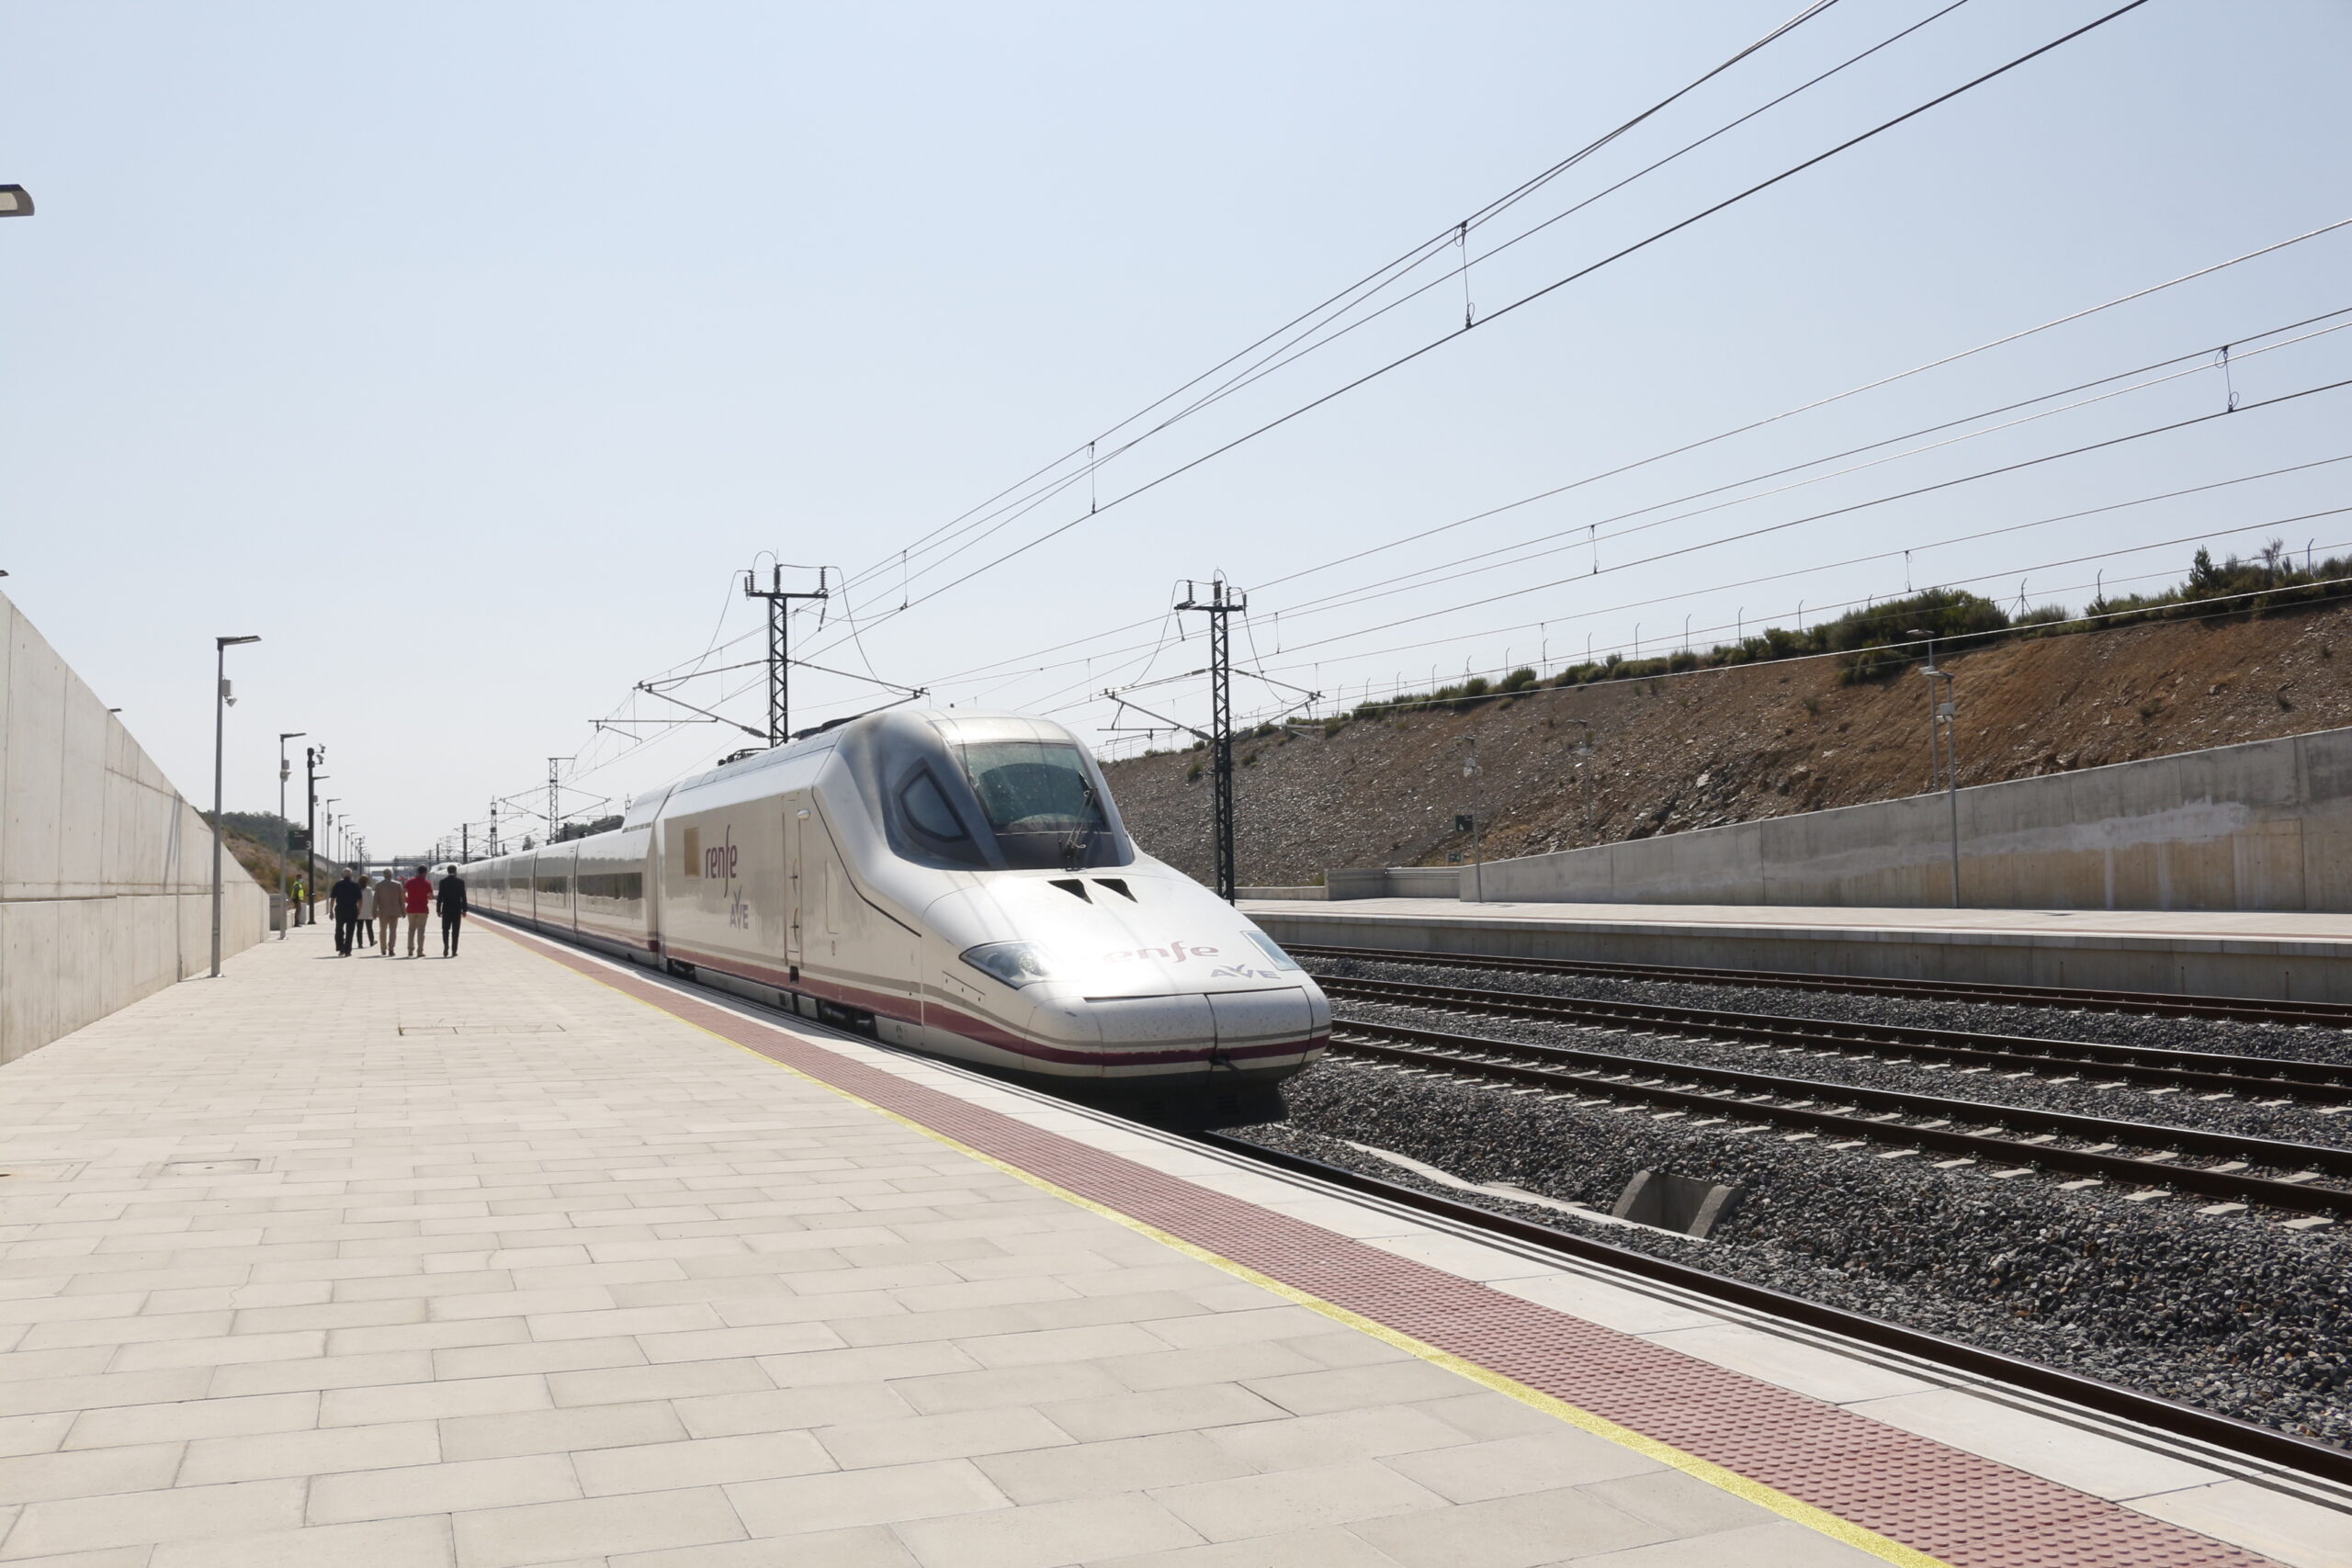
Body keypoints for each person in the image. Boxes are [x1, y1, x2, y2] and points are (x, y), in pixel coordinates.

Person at [329, 869, 365, 956]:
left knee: (339, 929)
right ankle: (348, 951)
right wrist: (359, 910)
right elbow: (360, 900)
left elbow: (333, 898)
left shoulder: (338, 884)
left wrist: (331, 911)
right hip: (352, 909)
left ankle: (341, 948)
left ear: (343, 875)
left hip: (340, 909)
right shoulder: (355, 885)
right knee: (350, 930)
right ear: (351, 875)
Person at [436, 863, 469, 956]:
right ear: (455, 871)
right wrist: (464, 910)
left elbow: (440, 897)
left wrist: (438, 909)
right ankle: (454, 951)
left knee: (445, 929)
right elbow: (463, 897)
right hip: (457, 909)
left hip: (446, 909)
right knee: (456, 930)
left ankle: (446, 946)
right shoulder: (460, 882)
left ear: (447, 871)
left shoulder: (443, 882)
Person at [402, 865, 434, 957]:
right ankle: (419, 951)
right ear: (425, 872)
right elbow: (431, 897)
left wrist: (406, 900)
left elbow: (402, 892)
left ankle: (410, 950)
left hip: (411, 908)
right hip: (423, 909)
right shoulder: (427, 883)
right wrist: (426, 897)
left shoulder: (410, 881)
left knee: (411, 929)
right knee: (421, 931)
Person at [372, 871, 405, 957]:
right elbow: (402, 899)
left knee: (383, 930)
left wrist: (374, 912)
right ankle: (391, 949)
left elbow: (375, 900)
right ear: (392, 875)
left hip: (383, 911)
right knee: (393, 931)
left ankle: (383, 949)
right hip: (395, 911)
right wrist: (403, 911)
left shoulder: (379, 885)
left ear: (383, 875)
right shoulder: (398, 884)